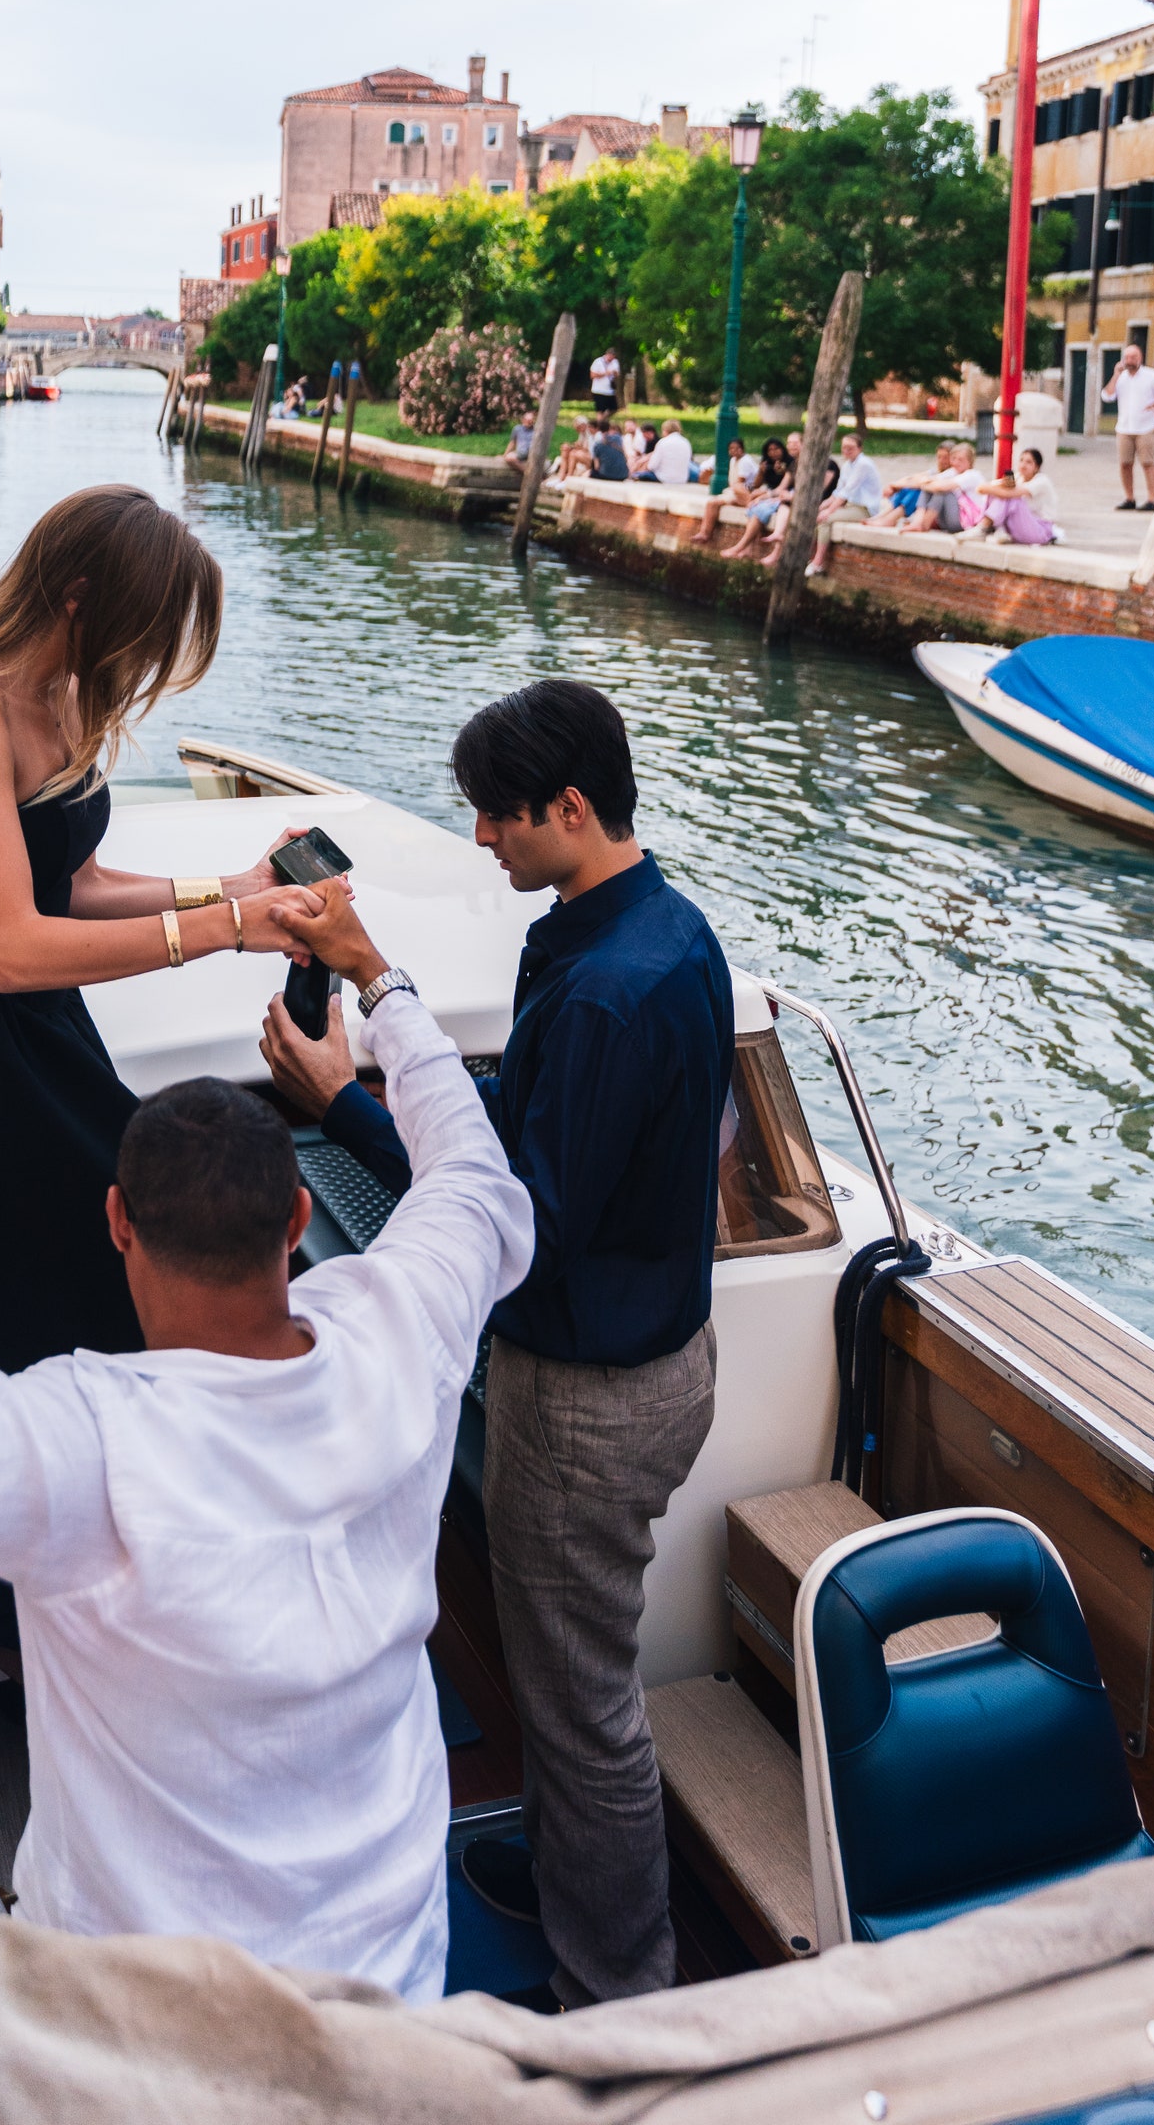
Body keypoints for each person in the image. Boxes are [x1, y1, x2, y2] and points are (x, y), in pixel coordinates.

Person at [0, 915, 532, 2003]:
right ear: (294, 1218)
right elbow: (473, 1173)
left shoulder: (79, 1448)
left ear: (117, 1224)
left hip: (152, 2045)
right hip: (392, 2001)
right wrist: (384, 984)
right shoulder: (402, 1327)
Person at [261, 681, 733, 2013]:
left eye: (495, 816)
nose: (479, 840)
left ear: (569, 808)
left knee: (581, 1709)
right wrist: (402, 1077)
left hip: (589, 1401)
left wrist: (346, 1101)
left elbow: (512, 1219)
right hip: (660, 1362)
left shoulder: (599, 991)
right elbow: (538, 1129)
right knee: (571, 1670)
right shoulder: (659, 933)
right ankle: (574, 1862)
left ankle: (612, 1998)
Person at [0, 486, 322, 1640]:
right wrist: (225, 930)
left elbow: (71, 880)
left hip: (38, 1031)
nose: (147, 660)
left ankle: (89, 1559)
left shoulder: (70, 691)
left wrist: (230, 887)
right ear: (79, 596)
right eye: (143, 626)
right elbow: (12, 943)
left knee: (101, 1262)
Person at [1102, 343, 1154, 511]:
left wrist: (1153, 405)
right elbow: (1107, 396)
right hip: (1124, 427)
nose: (1130, 361)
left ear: (1140, 358)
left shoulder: (1152, 376)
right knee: (1125, 464)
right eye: (1127, 357)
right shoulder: (1121, 378)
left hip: (1145, 427)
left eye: (1133, 357)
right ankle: (1129, 498)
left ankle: (1152, 499)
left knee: (1147, 462)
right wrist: (1116, 375)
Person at [805, 432, 882, 579]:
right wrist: (822, 506)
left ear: (860, 448)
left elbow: (847, 492)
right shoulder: (847, 465)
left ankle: (818, 562)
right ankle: (811, 557)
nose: (846, 451)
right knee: (816, 516)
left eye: (850, 448)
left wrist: (828, 512)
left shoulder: (863, 464)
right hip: (850, 506)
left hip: (864, 509)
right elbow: (838, 491)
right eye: (844, 447)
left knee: (825, 520)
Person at [717, 440, 790, 561]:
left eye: (776, 449)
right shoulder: (768, 464)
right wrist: (761, 471)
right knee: (752, 508)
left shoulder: (789, 464)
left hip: (781, 495)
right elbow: (757, 484)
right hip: (769, 492)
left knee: (758, 512)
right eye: (770, 450)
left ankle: (739, 547)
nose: (773, 453)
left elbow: (781, 488)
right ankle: (748, 549)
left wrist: (764, 495)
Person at [970, 449, 1059, 545]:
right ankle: (994, 529)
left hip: (1040, 530)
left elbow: (1008, 494)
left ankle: (983, 528)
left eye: (1028, 462)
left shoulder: (1042, 481)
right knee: (997, 493)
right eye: (1021, 460)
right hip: (1022, 525)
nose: (1023, 465)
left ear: (1036, 467)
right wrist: (999, 487)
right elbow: (981, 488)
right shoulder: (1018, 478)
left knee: (1012, 498)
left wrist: (999, 489)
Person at [687, 437, 757, 546]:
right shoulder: (733, 460)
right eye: (731, 449)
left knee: (713, 503)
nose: (734, 451)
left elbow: (739, 483)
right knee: (711, 503)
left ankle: (705, 533)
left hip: (744, 492)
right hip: (733, 490)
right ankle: (704, 532)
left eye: (736, 448)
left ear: (742, 449)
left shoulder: (745, 461)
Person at [633, 416, 693, 485]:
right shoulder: (686, 442)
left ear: (665, 430)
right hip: (682, 479)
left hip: (664, 478)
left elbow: (651, 466)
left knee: (637, 474)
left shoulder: (662, 442)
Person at [503, 411, 538, 479]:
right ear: (523, 420)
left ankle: (531, 474)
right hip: (521, 453)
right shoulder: (517, 429)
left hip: (532, 454)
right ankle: (528, 473)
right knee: (509, 458)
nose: (529, 422)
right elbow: (512, 442)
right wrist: (505, 454)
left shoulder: (536, 430)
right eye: (527, 420)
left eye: (531, 421)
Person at [588, 348, 621, 416]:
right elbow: (592, 375)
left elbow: (617, 374)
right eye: (611, 356)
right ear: (607, 354)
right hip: (599, 390)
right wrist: (605, 374)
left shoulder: (615, 362)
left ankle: (602, 421)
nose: (611, 358)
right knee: (600, 410)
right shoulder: (598, 362)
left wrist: (614, 373)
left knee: (614, 409)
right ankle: (600, 423)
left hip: (610, 390)